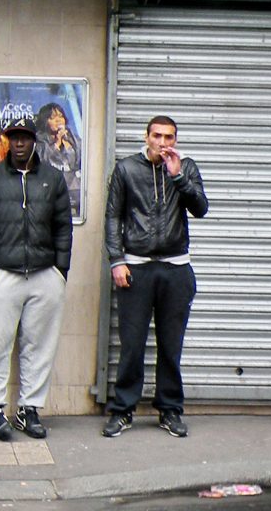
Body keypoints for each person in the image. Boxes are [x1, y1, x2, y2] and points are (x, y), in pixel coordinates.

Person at [101, 115, 208, 439]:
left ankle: (170, 409)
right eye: (158, 136)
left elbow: (200, 208)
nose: (164, 143)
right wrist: (117, 261)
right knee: (132, 345)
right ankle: (122, 411)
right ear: (146, 137)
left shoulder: (185, 168)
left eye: (170, 137)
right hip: (137, 266)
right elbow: (113, 215)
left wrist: (178, 178)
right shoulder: (127, 169)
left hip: (176, 268)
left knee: (171, 345)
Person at [0, 116, 72, 441]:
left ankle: (29, 410)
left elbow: (63, 227)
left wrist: (60, 271)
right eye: (13, 138)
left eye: (25, 138)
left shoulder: (53, 180)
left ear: (34, 141)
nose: (19, 144)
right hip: (5, 275)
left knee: (39, 346)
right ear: (6, 142)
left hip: (45, 275)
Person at [35, 102, 82, 216]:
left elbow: (78, 162)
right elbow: (41, 161)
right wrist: (57, 143)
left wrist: (67, 143)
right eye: (53, 118)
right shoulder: (39, 141)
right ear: (45, 122)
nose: (58, 120)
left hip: (72, 192)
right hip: (47, 194)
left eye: (60, 116)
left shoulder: (74, 139)